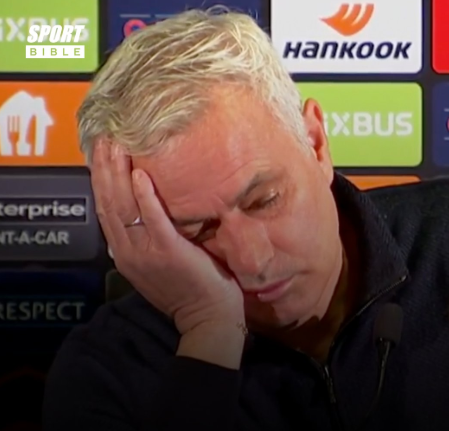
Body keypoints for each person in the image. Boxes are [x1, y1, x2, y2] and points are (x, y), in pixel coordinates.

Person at [43, 7, 449, 431]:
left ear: (315, 143)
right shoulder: (106, 372)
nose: (251, 260)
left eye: (264, 201)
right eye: (196, 231)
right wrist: (208, 330)